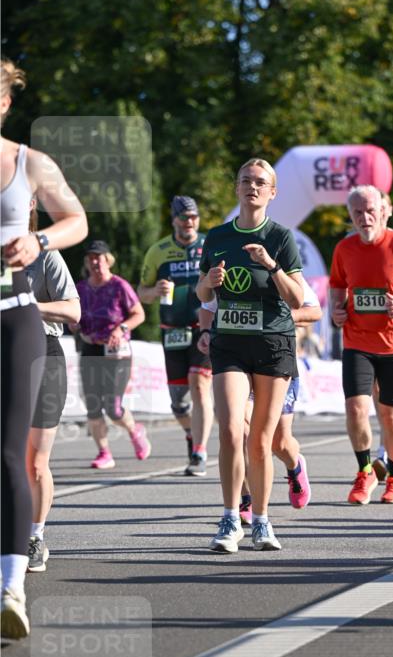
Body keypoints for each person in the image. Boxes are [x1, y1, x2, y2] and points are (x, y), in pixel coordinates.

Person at [1, 56, 87, 638]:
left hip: (14, 320)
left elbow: (76, 219)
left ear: (4, 102)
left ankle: (10, 588)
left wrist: (38, 239)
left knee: (11, 453)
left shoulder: (29, 163)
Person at [196, 157, 304, 554]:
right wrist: (208, 282)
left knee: (261, 440)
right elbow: (202, 296)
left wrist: (271, 266)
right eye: (246, 180)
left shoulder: (280, 237)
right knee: (229, 431)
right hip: (230, 342)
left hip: (273, 343)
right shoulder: (218, 236)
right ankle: (229, 518)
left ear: (272, 192)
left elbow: (298, 299)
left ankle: (261, 520)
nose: (252, 187)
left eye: (261, 182)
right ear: (237, 187)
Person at [198, 274, 321, 546]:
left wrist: (276, 316)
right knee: (238, 432)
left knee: (276, 442)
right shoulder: (226, 263)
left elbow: (314, 310)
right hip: (237, 358)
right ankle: (244, 501)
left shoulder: (277, 266)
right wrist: (206, 332)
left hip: (274, 358)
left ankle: (294, 464)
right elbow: (206, 308)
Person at [329, 185, 393, 505]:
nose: (365, 217)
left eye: (371, 210)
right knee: (357, 408)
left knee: (391, 417)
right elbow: (337, 285)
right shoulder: (344, 249)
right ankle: (365, 471)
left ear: (385, 211)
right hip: (357, 340)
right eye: (358, 212)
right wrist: (337, 309)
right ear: (350, 216)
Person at [25, 197, 81, 573]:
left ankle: (35, 536)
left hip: (40, 357)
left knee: (35, 462)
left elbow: (74, 311)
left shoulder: (44, 256)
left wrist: (25, 305)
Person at [138, 195, 213, 475]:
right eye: (184, 218)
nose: (190, 222)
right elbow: (140, 292)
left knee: (200, 383)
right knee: (179, 404)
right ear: (174, 220)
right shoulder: (158, 251)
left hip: (202, 329)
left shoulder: (209, 245)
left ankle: (199, 452)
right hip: (172, 332)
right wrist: (153, 291)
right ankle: (192, 433)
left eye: (194, 217)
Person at [72, 240, 151, 467]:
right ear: (87, 262)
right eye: (91, 258)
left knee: (113, 408)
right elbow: (73, 315)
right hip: (90, 347)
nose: (96, 262)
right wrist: (73, 323)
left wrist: (121, 328)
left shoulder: (119, 286)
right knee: (93, 405)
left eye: (100, 257)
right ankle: (104, 453)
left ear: (108, 260)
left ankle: (134, 429)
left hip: (116, 351)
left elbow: (139, 314)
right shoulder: (80, 289)